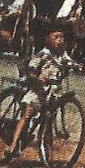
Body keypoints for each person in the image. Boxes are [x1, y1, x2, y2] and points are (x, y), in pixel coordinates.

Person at [8, 26, 76, 154]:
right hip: (39, 91)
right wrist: (36, 77)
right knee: (27, 114)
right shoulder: (42, 55)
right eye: (56, 37)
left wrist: (76, 65)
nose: (59, 41)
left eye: (61, 37)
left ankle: (47, 156)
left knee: (49, 122)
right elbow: (30, 70)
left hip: (52, 92)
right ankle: (13, 145)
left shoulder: (62, 54)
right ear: (47, 39)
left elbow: (69, 62)